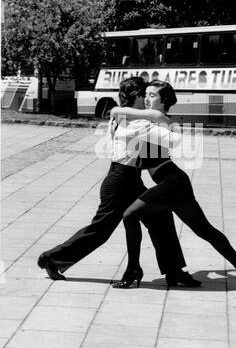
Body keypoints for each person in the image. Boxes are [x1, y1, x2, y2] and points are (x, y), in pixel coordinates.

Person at [37, 77, 200, 287]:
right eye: (146, 95)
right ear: (138, 96)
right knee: (100, 231)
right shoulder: (138, 122)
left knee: (160, 216)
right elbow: (174, 139)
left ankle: (174, 270)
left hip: (127, 178)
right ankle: (51, 258)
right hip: (120, 182)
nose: (148, 100)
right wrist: (156, 115)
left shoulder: (123, 116)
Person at [111, 80, 236, 290]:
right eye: (145, 94)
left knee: (130, 215)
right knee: (205, 230)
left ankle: (133, 269)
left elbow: (175, 136)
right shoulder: (148, 120)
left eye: (152, 95)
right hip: (174, 183)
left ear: (164, 101)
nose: (146, 98)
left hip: (172, 183)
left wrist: (125, 111)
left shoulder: (159, 122)